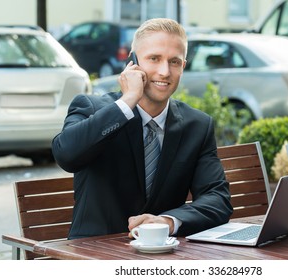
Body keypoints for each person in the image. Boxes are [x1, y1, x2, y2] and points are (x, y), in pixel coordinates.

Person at [52, 18, 233, 239]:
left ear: (183, 66)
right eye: (154, 59)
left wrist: (167, 222)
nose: (165, 71)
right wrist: (127, 101)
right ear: (133, 62)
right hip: (94, 253)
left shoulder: (197, 125)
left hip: (164, 256)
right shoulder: (91, 108)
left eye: (174, 62)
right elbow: (66, 155)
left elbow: (217, 199)